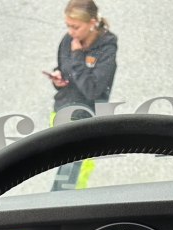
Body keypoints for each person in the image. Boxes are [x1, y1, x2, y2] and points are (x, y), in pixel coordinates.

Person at [47, 0, 117, 189]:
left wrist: (78, 56)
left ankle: (69, 204)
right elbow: (65, 71)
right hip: (62, 113)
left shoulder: (106, 49)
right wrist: (58, 78)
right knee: (63, 171)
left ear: (92, 22)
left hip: (86, 120)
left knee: (71, 177)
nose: (70, 32)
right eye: (68, 26)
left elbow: (92, 89)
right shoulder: (68, 41)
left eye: (75, 27)